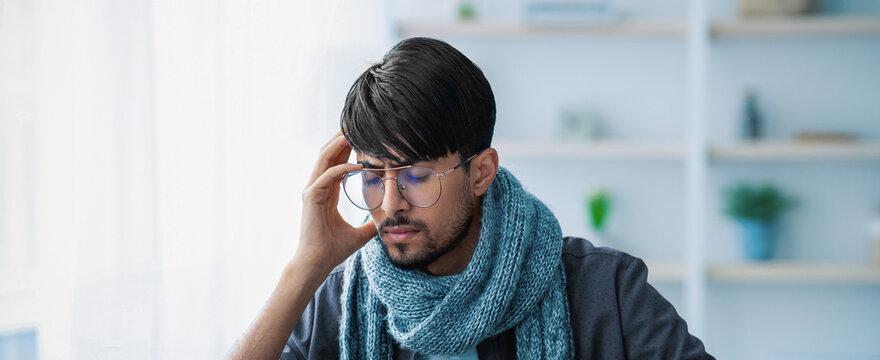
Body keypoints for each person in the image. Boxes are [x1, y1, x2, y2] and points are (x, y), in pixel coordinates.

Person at [228, 37, 713, 360]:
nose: (391, 202)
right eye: (372, 177)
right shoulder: (342, 299)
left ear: (480, 173)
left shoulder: (603, 289)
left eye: (417, 175)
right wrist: (304, 269)